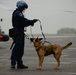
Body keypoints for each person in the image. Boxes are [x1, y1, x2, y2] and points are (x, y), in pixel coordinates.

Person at [10, 1, 38, 69]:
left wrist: (31, 21)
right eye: (23, 8)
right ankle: (14, 63)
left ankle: (19, 63)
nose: (24, 9)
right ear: (21, 7)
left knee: (19, 49)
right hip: (18, 34)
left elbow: (23, 21)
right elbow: (24, 21)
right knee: (17, 48)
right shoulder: (18, 13)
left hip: (18, 33)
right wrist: (31, 22)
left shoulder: (17, 13)